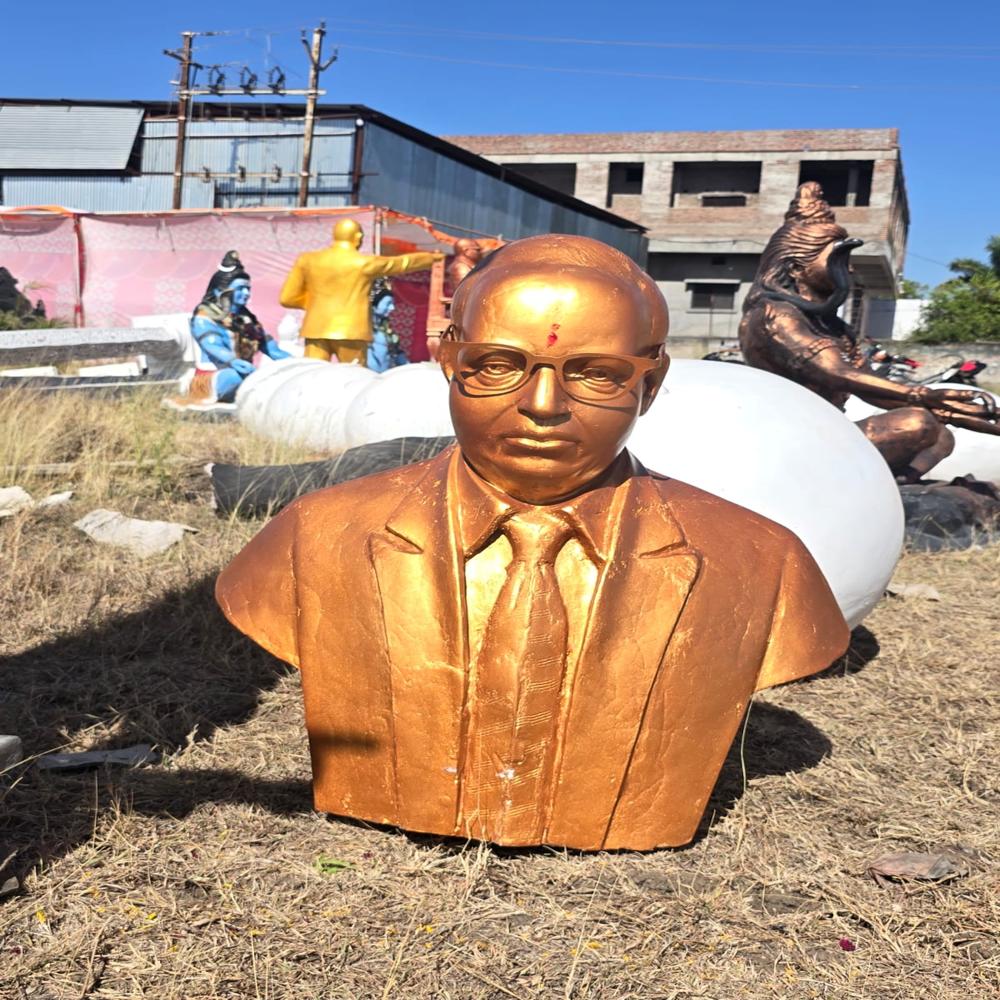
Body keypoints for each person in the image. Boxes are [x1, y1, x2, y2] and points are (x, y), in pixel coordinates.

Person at [217, 234, 848, 851]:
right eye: (496, 365)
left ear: (651, 386)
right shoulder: (315, 534)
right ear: (449, 364)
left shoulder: (763, 564)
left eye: (597, 374)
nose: (542, 404)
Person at [740, 183, 998, 483]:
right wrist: (925, 394)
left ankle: (898, 489)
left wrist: (956, 412)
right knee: (918, 423)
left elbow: (871, 388)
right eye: (838, 262)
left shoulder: (833, 326)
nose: (848, 271)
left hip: (830, 431)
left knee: (941, 435)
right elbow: (835, 373)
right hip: (789, 443)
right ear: (797, 268)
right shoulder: (775, 315)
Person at [279, 218, 444, 366]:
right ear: (357, 237)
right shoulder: (363, 262)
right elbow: (401, 264)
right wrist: (432, 258)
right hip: (351, 331)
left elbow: (287, 298)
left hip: (316, 329)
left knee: (310, 376)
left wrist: (316, 305)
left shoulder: (307, 260)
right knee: (354, 380)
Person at [190, 274, 290, 403]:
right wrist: (233, 361)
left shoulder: (249, 321)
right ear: (219, 291)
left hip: (245, 374)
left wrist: (301, 365)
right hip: (208, 380)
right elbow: (212, 346)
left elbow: (275, 351)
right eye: (240, 288)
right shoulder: (204, 318)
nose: (246, 293)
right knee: (236, 376)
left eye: (248, 288)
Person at [366, 279, 409, 373]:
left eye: (392, 303)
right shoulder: (364, 330)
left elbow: (398, 355)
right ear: (374, 304)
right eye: (388, 303)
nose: (392, 308)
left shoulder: (386, 328)